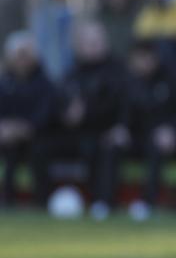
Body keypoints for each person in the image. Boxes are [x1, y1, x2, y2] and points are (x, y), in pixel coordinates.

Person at [32, 22, 129, 217]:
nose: (93, 47)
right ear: (78, 45)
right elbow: (57, 103)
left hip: (102, 131)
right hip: (72, 133)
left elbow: (123, 104)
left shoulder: (118, 71)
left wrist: (89, 113)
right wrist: (65, 115)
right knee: (39, 147)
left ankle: (101, 203)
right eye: (87, 42)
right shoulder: (71, 72)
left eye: (96, 42)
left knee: (100, 147)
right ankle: (43, 201)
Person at [101, 41, 176, 220]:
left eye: (141, 59)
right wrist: (122, 128)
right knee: (112, 146)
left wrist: (172, 130)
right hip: (141, 138)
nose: (137, 65)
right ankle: (105, 203)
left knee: (155, 146)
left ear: (152, 59)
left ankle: (147, 203)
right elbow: (126, 112)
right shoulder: (131, 81)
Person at [0, 31, 56, 206]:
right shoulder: (4, 83)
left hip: (37, 137)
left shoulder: (45, 83)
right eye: (18, 55)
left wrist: (20, 129)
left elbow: (45, 115)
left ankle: (41, 201)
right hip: (7, 138)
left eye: (26, 54)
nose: (22, 60)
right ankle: (7, 200)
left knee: (39, 150)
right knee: (9, 151)